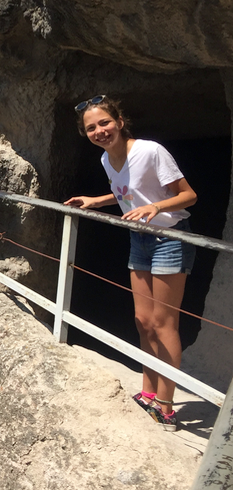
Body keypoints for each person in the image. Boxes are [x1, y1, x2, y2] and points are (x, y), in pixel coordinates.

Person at [64, 95, 197, 431]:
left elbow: (188, 195)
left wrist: (156, 207)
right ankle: (148, 392)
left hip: (170, 237)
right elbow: (129, 192)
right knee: (142, 319)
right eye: (91, 128)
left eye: (104, 123)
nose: (99, 131)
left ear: (120, 122)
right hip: (138, 237)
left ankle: (166, 405)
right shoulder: (108, 161)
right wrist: (98, 199)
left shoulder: (149, 151)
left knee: (164, 323)